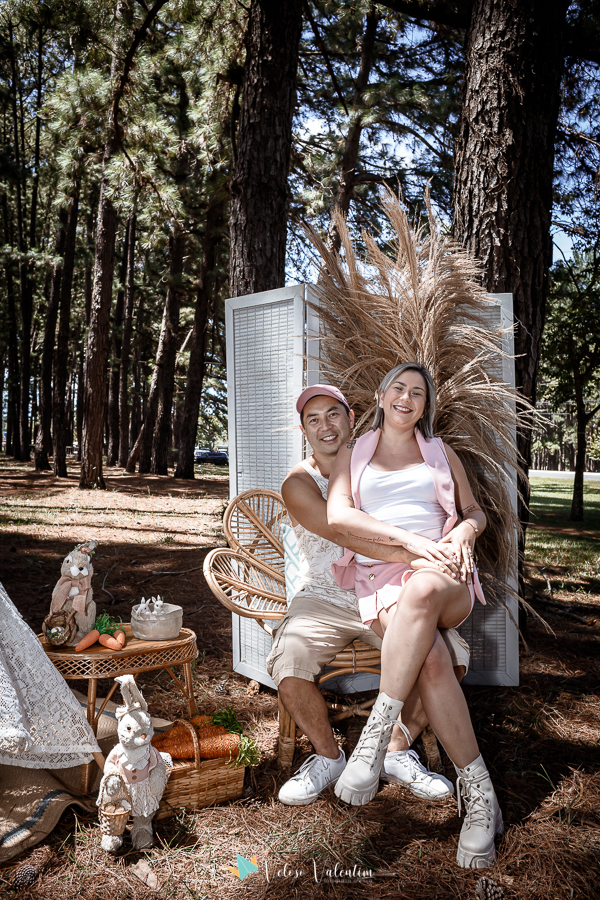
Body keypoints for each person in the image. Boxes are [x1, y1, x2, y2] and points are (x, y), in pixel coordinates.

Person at [326, 362, 503, 870]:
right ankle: (480, 800)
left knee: (424, 587)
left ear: (426, 405)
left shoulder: (440, 452)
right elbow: (338, 516)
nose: (407, 398)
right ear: (381, 397)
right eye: (398, 389)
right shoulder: (352, 454)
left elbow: (475, 512)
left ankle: (374, 739)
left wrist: (464, 533)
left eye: (418, 393)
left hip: (446, 577)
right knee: (431, 663)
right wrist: (410, 543)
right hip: (382, 581)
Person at [266, 384, 471, 809]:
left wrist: (452, 537)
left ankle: (396, 749)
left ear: (352, 416)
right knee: (289, 660)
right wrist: (420, 552)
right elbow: (345, 532)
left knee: (450, 653)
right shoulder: (297, 483)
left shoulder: (377, 460)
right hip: (323, 596)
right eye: (313, 419)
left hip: (384, 586)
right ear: (303, 429)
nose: (325, 426)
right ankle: (329, 757)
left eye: (333, 415)